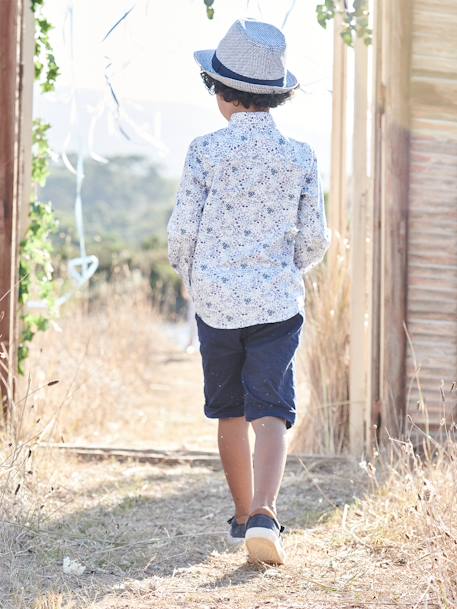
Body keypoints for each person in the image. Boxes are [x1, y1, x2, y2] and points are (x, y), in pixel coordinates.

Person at [167, 18, 331, 565]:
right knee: (272, 411)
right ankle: (265, 512)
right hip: (276, 303)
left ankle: (241, 519)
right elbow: (314, 238)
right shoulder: (301, 157)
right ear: (275, 95)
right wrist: (286, 272)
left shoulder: (204, 151)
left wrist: (195, 276)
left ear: (220, 92)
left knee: (230, 412)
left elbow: (182, 232)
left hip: (217, 304)